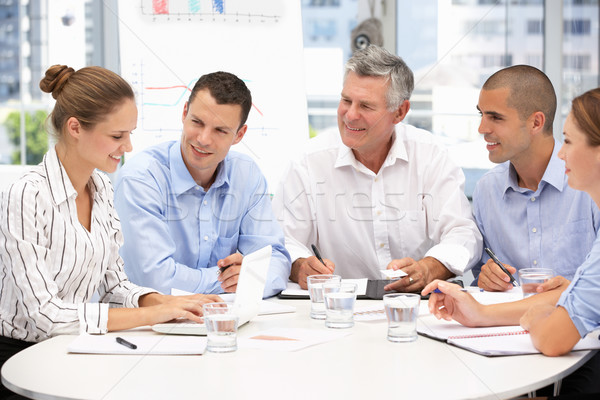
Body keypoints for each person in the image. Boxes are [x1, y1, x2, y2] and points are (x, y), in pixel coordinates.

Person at [0, 65, 220, 398]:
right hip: (21, 363)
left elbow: (112, 285)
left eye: (129, 134)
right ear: (75, 127)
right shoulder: (26, 196)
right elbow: (45, 315)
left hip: (75, 350)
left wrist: (168, 302)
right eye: (117, 136)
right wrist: (150, 313)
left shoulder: (101, 187)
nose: (128, 146)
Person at [423, 88, 600, 396]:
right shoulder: (487, 190)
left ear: (535, 122)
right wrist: (483, 295)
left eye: (569, 141)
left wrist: (539, 315)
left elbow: (556, 332)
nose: (562, 153)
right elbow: (577, 293)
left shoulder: (583, 193)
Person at [272, 45, 482, 290]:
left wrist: (429, 267)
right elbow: (281, 240)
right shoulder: (308, 161)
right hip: (338, 305)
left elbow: (464, 234)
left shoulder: (430, 155)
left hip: (414, 304)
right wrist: (300, 265)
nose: (350, 115)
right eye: (346, 100)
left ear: (400, 112)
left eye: (366, 106)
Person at [114, 71, 290, 297]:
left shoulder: (247, 175)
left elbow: (275, 259)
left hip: (221, 322)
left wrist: (252, 276)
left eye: (220, 130)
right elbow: (155, 280)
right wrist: (239, 281)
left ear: (239, 134)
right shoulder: (140, 179)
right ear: (184, 113)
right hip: (147, 328)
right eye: (197, 122)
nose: (204, 139)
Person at [472, 65, 599, 291]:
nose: (482, 128)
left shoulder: (589, 184)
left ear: (536, 123)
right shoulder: (486, 190)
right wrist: (487, 278)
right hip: (508, 323)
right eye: (481, 114)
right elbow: (482, 281)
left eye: (495, 117)